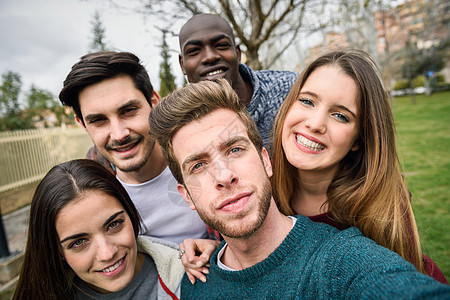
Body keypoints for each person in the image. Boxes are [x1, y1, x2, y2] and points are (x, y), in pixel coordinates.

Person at [148, 79, 450, 298]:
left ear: (266, 161)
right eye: (198, 166)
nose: (223, 176)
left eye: (235, 150)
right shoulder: (195, 284)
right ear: (186, 195)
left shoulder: (338, 260)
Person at [271, 50, 447, 283]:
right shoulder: (260, 186)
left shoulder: (379, 204)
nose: (315, 124)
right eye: (307, 101)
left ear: (358, 140)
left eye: (341, 116)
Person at [59, 51, 209, 244]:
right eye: (98, 120)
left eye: (129, 111)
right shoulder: (86, 188)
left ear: (154, 102)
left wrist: (220, 251)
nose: (119, 134)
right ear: (82, 124)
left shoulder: (202, 155)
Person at [13, 159, 184, 299]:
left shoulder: (189, 276)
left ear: (130, 215)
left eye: (114, 224)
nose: (107, 253)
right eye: (79, 242)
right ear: (57, 252)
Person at [178, 13, 298, 147]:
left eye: (221, 45)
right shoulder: (181, 129)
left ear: (238, 53)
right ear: (182, 64)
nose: (210, 57)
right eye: (194, 51)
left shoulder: (291, 91)